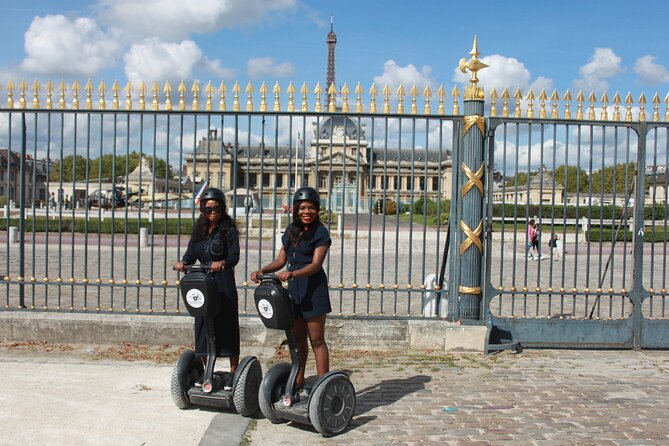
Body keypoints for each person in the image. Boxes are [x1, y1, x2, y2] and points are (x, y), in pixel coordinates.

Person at [251, 186, 331, 395]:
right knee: (297, 340)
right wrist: (262, 270)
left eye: (311, 208)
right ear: (296, 209)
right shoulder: (290, 231)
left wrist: (292, 274)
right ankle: (298, 380)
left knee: (317, 340)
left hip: (313, 290)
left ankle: (323, 385)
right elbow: (281, 260)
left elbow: (316, 264)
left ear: (317, 210)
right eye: (303, 207)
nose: (307, 212)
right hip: (294, 291)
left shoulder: (321, 232)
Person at [173, 188, 240, 390]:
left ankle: (233, 372)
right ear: (202, 209)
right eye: (208, 208)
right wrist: (183, 263)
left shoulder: (229, 230)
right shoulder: (199, 230)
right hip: (202, 283)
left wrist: (222, 262)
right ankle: (206, 370)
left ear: (222, 209)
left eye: (216, 208)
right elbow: (191, 253)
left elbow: (235, 256)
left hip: (222, 283)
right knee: (202, 324)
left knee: (226, 323)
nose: (212, 212)